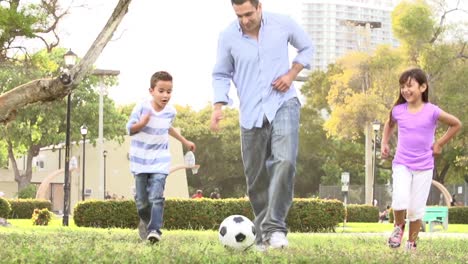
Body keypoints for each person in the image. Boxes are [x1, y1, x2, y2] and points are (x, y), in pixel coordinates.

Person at [210, 0, 314, 250]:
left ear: (259, 7)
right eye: (239, 16)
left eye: (248, 14)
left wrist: (291, 75)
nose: (245, 20)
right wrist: (218, 106)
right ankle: (262, 234)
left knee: (285, 161)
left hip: (283, 103)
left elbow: (307, 47)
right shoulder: (227, 37)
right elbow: (221, 73)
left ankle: (275, 228)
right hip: (250, 113)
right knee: (255, 177)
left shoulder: (282, 23)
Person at [381, 68, 461, 250]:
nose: (405, 90)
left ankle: (411, 243)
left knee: (416, 210)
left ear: (423, 87)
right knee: (400, 200)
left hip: (424, 166)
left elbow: (456, 124)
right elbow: (389, 123)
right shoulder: (398, 110)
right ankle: (398, 228)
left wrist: (439, 143)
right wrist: (384, 142)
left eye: (410, 86)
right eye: (402, 86)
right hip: (402, 163)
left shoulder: (432, 111)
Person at [126, 71, 196, 243]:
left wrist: (184, 141)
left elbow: (168, 127)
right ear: (151, 91)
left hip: (160, 160)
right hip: (140, 160)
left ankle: (155, 230)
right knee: (142, 202)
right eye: (161, 90)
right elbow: (130, 129)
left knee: (156, 196)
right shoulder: (141, 107)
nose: (165, 95)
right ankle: (146, 221)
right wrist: (142, 123)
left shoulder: (170, 112)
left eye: (169, 91)